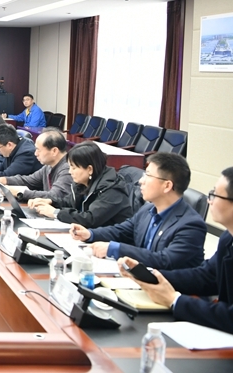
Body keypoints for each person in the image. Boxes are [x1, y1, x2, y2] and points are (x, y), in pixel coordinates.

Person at [119, 167, 233, 334]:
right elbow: (207, 276)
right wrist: (148, 275)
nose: (210, 201)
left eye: (215, 195)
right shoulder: (228, 238)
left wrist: (175, 300)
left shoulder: (192, 224)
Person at [70, 153, 205, 270]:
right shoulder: (147, 209)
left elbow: (164, 260)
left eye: (148, 175)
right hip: (139, 278)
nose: (141, 181)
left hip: (168, 287)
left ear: (167, 186)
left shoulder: (191, 225)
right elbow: (121, 231)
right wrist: (90, 234)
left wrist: (114, 249)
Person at [31, 141, 133, 228]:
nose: (70, 172)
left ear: (89, 169)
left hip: (108, 241)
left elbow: (90, 219)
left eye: (74, 167)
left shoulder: (112, 189)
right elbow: (69, 202)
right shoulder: (83, 183)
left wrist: (55, 213)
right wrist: (50, 201)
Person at [0, 129, 71, 205]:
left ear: (54, 151)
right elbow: (29, 180)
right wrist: (2, 180)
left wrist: (20, 192)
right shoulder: (48, 166)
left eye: (38, 150)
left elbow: (54, 196)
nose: (35, 153)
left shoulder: (68, 169)